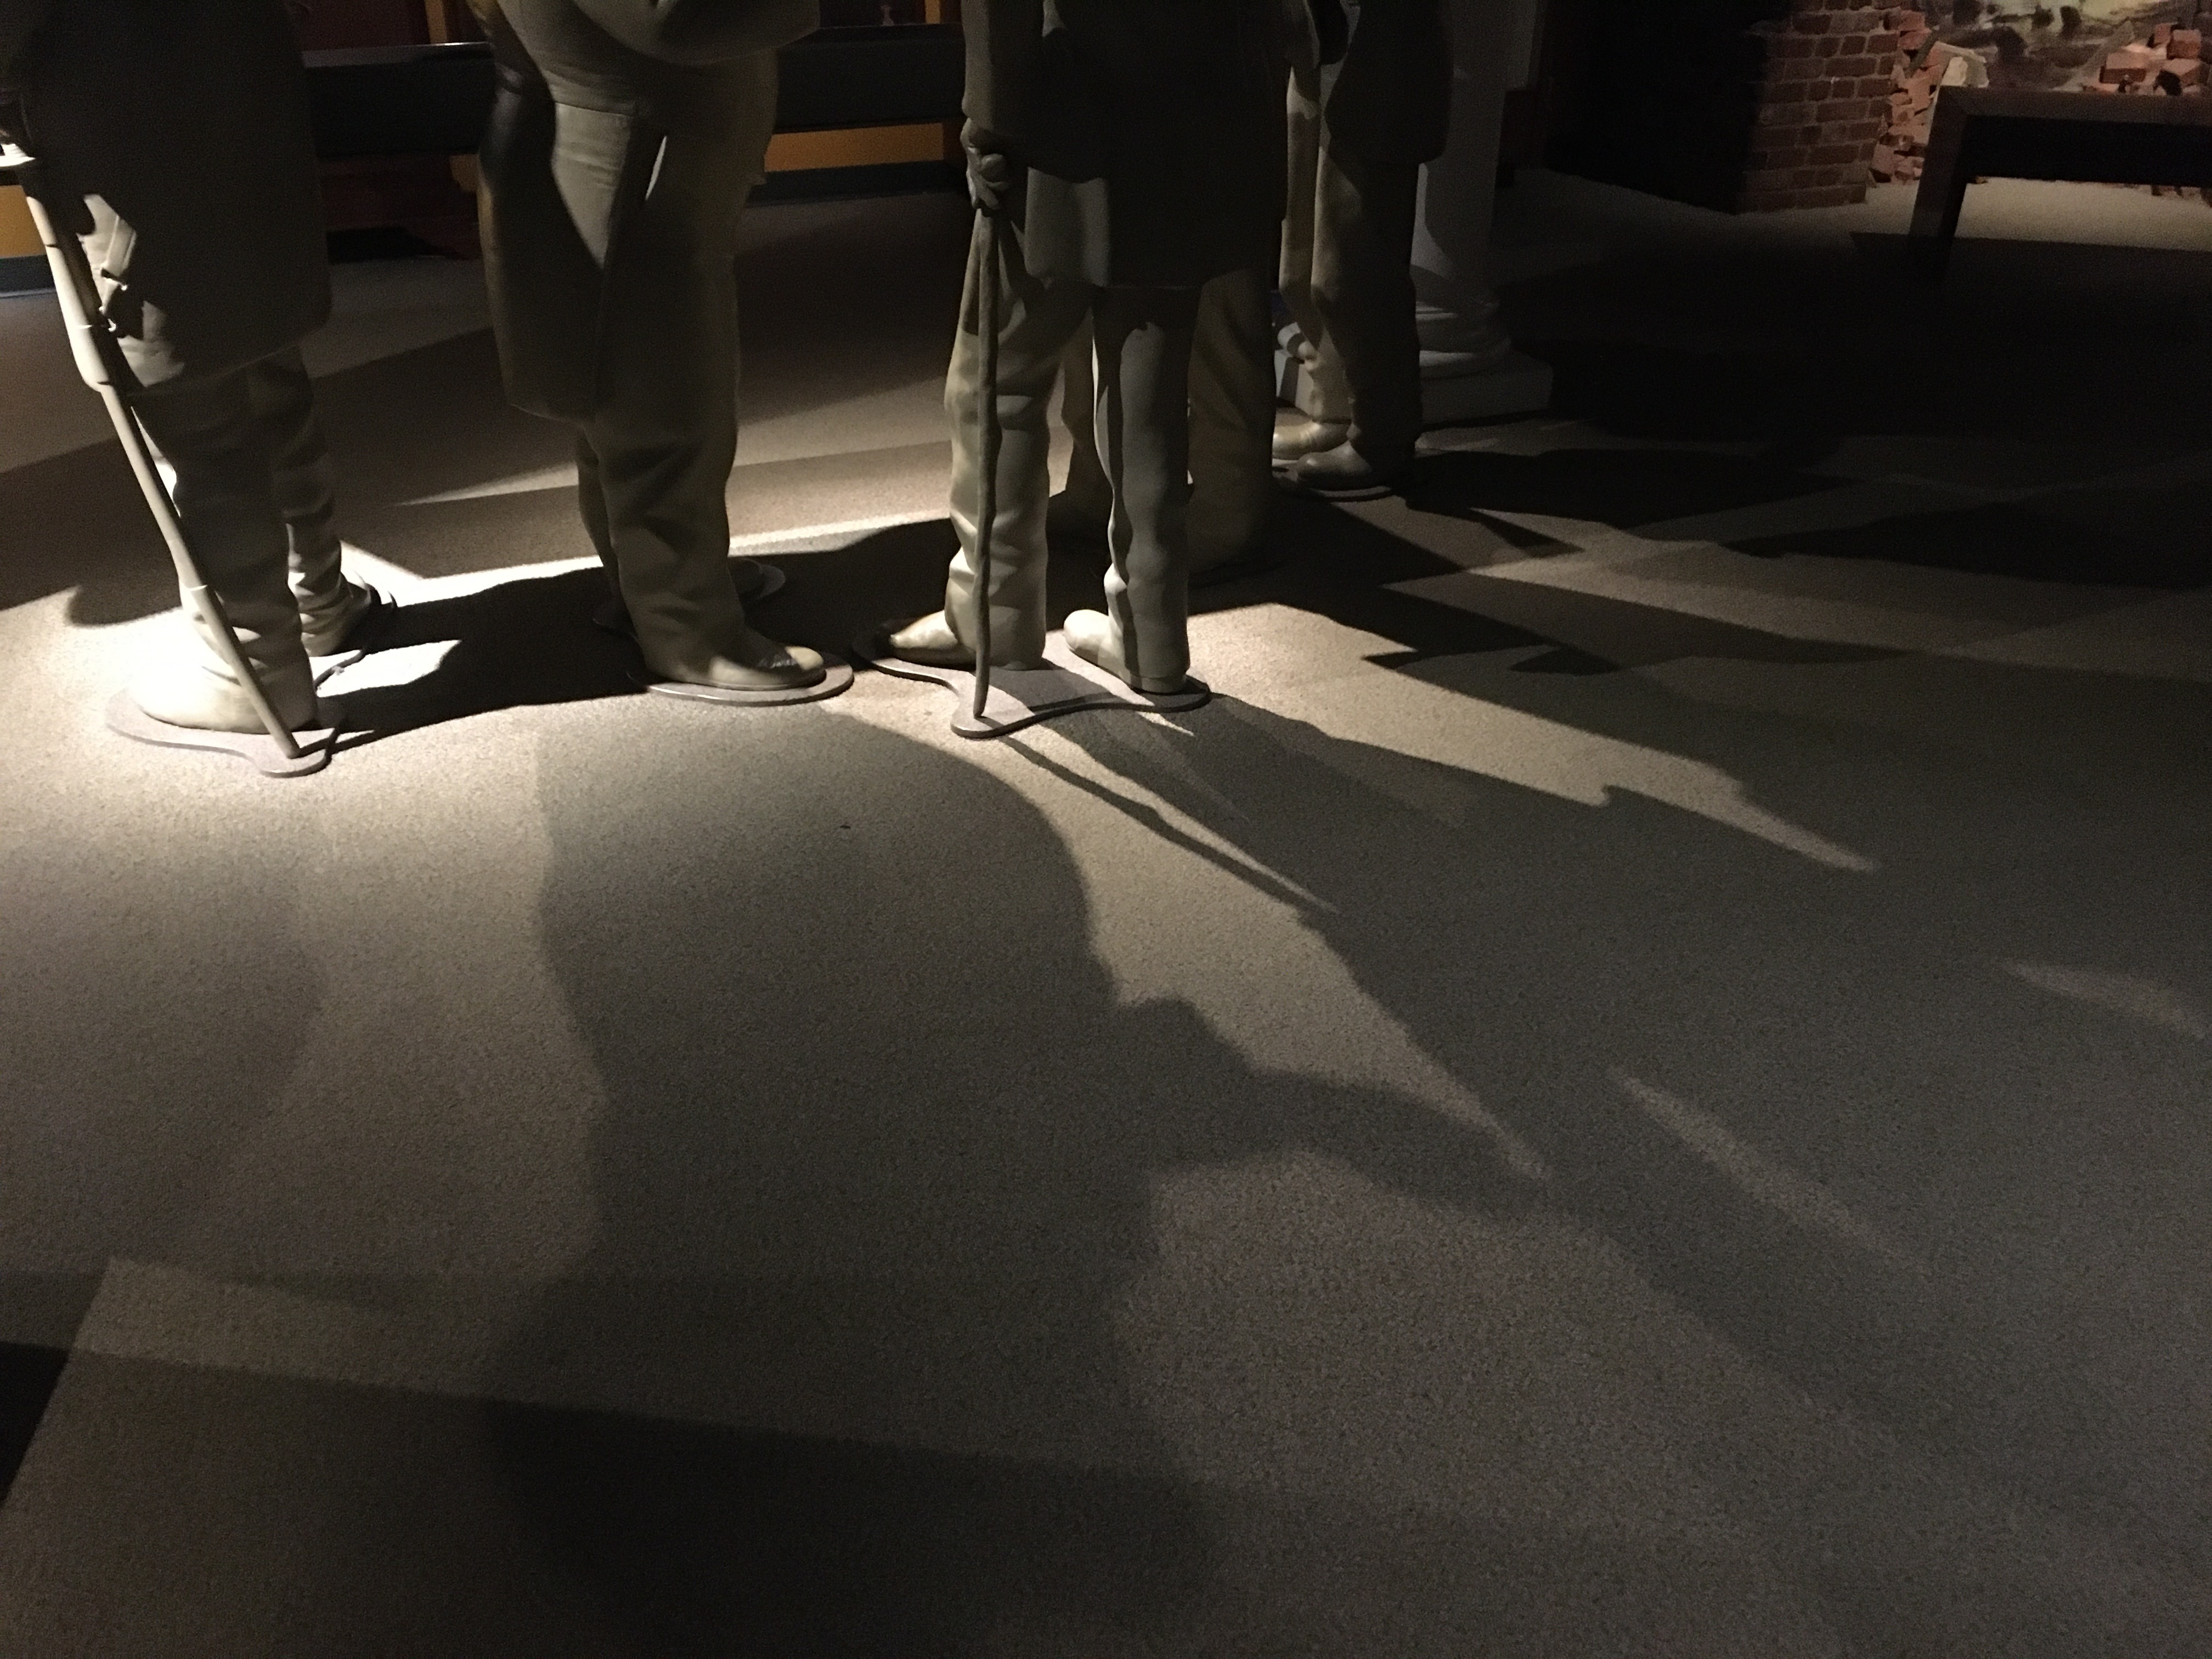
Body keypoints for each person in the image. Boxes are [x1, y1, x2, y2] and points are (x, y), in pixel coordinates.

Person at [1, 0, 382, 734]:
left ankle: (252, 671)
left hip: (126, 138)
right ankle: (316, 600)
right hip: (242, 95)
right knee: (271, 376)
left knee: (202, 430)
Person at [887, 0, 1288, 695]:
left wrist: (989, 122)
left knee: (1000, 377)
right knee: (1149, 380)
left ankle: (991, 615)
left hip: (1067, 112)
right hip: (1203, 98)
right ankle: (1152, 635)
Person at [471, 0, 828, 696]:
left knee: (629, 402)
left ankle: (656, 585)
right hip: (624, 157)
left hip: (630, 149)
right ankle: (688, 630)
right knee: (660, 416)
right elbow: (674, 21)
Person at [1273, 0, 1449, 496]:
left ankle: (1382, 438)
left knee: (1352, 276)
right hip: (1323, 45)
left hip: (1383, 53)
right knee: (1298, 266)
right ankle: (1335, 410)